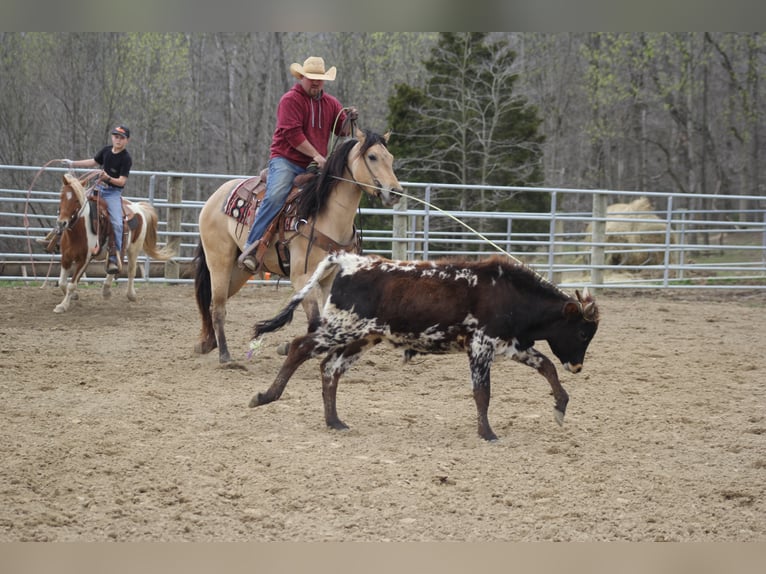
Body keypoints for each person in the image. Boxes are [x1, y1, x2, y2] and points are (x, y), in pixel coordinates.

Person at [237, 56, 358, 272]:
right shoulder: (290, 100)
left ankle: (338, 246)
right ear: (301, 77)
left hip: (315, 164)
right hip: (286, 160)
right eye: (311, 78)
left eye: (319, 79)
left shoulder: (331, 104)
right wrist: (317, 157)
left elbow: (342, 131)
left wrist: (348, 119)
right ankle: (253, 245)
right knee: (275, 196)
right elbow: (292, 134)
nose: (315, 83)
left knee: (338, 194)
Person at [61, 125, 133, 274]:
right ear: (112, 137)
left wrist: (107, 178)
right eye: (116, 136)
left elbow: (121, 181)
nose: (118, 140)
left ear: (127, 140)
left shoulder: (126, 158)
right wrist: (72, 163)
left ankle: (114, 255)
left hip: (112, 193)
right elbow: (93, 161)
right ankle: (57, 237)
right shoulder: (106, 151)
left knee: (117, 223)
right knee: (73, 205)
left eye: (121, 138)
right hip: (98, 189)